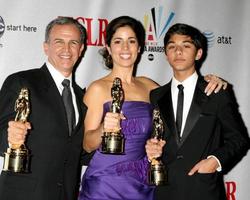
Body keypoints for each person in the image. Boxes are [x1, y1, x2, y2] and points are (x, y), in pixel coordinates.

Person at [78, 16, 226, 200]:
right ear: (108, 47)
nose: (125, 48)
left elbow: (184, 99)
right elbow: (86, 144)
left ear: (139, 47)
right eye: (118, 41)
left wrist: (211, 82)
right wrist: (103, 129)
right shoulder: (97, 89)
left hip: (142, 183)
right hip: (105, 183)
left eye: (131, 41)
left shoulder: (151, 88)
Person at [146, 23, 249, 200]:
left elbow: (238, 139)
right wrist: (151, 147)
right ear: (166, 54)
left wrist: (214, 161)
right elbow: (157, 137)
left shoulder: (216, 92)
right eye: (172, 46)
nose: (178, 51)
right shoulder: (156, 95)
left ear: (198, 53)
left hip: (204, 190)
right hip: (165, 191)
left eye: (186, 46)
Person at [0, 17, 89, 200]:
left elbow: (78, 153)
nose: (66, 49)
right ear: (45, 47)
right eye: (59, 42)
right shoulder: (22, 82)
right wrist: (10, 138)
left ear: (81, 50)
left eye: (73, 43)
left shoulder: (83, 97)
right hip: (23, 195)